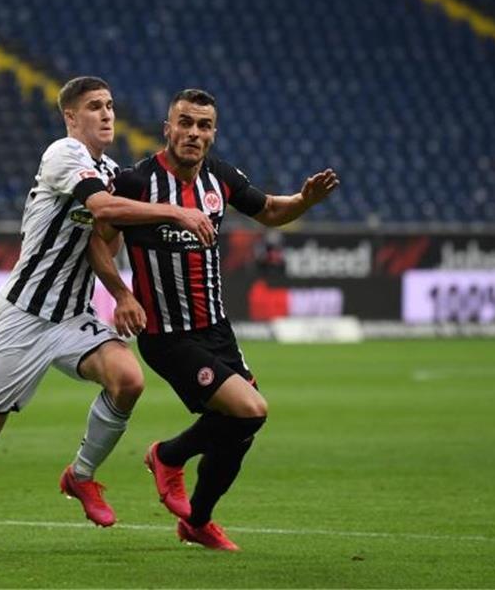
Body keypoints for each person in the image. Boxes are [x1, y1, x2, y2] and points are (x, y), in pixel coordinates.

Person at [0, 76, 216, 555]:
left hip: (73, 315)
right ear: (71, 117)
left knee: (129, 380)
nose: (107, 114)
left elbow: (101, 241)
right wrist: (174, 213)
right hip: (23, 316)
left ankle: (81, 476)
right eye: (94, 107)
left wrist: (121, 291)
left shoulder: (111, 169)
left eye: (110, 105)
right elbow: (101, 206)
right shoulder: (62, 155)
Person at [87, 88, 339, 550]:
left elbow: (270, 212)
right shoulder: (136, 182)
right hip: (167, 335)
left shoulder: (220, 179)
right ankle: (167, 456)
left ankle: (197, 522)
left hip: (217, 331)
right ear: (168, 128)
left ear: (213, 134)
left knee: (240, 433)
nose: (193, 133)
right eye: (185, 123)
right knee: (251, 409)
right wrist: (122, 294)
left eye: (203, 126)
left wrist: (304, 200)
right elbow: (98, 242)